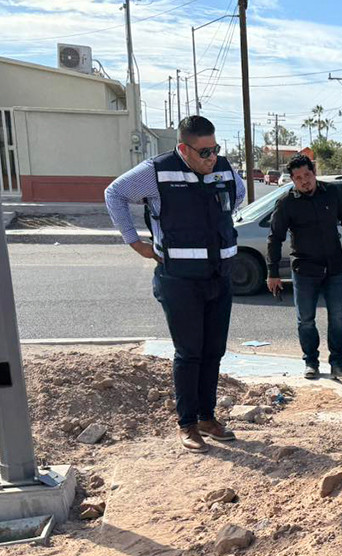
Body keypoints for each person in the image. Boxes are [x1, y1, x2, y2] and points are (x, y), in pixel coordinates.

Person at [104, 115, 245, 453]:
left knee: (214, 351)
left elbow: (237, 196)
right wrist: (134, 241)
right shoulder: (157, 171)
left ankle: (207, 417)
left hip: (219, 275)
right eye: (204, 152)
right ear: (184, 148)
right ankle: (187, 424)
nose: (212, 158)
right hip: (180, 278)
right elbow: (115, 193)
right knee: (189, 352)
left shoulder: (223, 169)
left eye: (215, 149)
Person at [266, 154, 342, 379]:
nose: (304, 181)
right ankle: (311, 362)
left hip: (334, 268)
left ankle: (338, 362)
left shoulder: (332, 193)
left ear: (314, 172)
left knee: (338, 317)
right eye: (298, 178)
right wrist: (272, 273)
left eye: (307, 175)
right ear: (292, 180)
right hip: (304, 270)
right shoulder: (286, 203)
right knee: (306, 319)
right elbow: (275, 238)